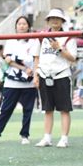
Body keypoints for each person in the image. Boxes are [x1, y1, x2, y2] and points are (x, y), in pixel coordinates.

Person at [0, 16, 39, 145]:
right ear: (16, 26)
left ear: (28, 26)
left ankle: (25, 135)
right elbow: (8, 60)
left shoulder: (34, 41)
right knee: (5, 109)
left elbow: (34, 59)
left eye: (24, 24)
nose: (22, 26)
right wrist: (23, 67)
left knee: (28, 110)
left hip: (28, 82)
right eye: (19, 24)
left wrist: (33, 73)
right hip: (12, 81)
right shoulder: (11, 41)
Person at [34, 8, 78, 148]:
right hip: (44, 74)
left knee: (64, 109)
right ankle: (47, 137)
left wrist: (59, 48)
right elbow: (37, 57)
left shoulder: (69, 37)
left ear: (62, 21)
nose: (54, 20)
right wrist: (36, 74)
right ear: (47, 21)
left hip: (61, 75)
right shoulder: (41, 37)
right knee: (47, 109)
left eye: (57, 18)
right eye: (52, 18)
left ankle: (64, 138)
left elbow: (73, 58)